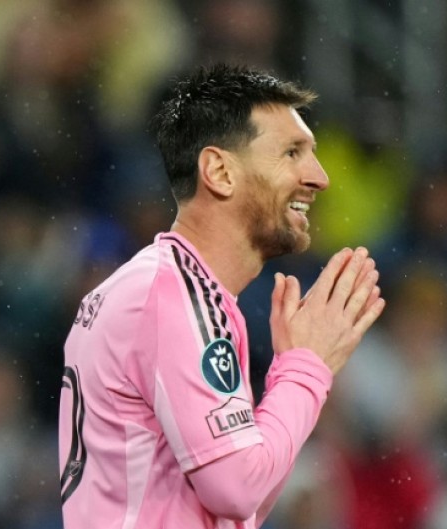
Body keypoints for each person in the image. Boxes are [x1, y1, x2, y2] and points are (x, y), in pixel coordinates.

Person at [58, 63, 386, 528]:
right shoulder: (173, 296)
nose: (319, 177)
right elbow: (235, 489)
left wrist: (296, 371)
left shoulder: (176, 290)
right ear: (219, 171)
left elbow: (242, 508)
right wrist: (305, 370)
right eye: (292, 153)